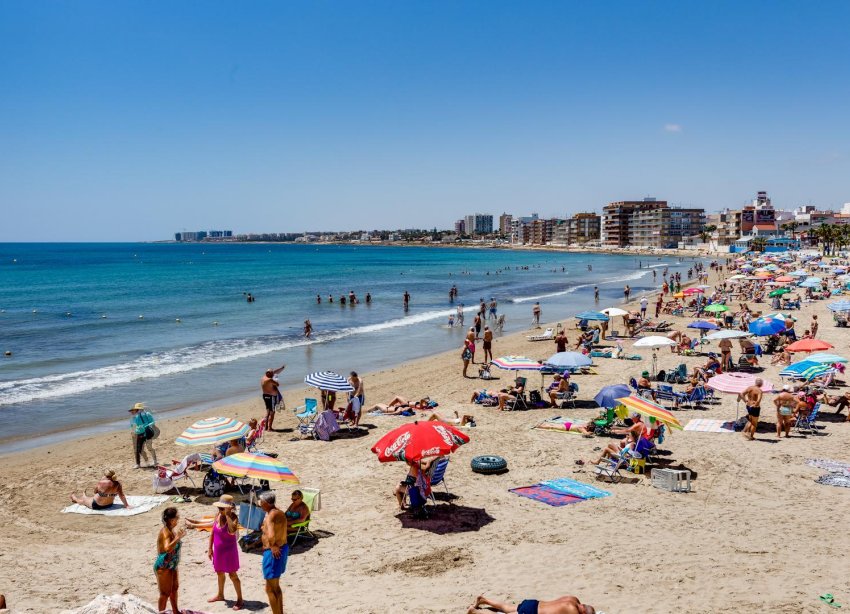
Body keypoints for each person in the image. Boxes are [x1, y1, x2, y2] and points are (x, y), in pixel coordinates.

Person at [207, 495, 243, 610]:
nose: (220, 510)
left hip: (229, 552)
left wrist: (227, 514)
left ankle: (240, 599)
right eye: (219, 508)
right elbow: (212, 532)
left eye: (222, 508)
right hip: (218, 551)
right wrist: (209, 548)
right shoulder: (217, 516)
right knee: (219, 573)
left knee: (233, 575)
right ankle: (220, 595)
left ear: (229, 508)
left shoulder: (233, 518)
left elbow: (232, 531)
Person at [259, 491, 288, 614]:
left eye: (261, 501)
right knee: (275, 586)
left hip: (273, 552)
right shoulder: (279, 512)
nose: (259, 504)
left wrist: (273, 545)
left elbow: (271, 535)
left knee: (270, 588)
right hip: (282, 549)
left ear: (266, 503)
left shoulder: (271, 515)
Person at [155, 507, 184, 614]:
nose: (178, 519)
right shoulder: (165, 532)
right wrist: (178, 538)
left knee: (174, 589)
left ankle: (175, 611)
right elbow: (167, 548)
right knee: (165, 593)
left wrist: (177, 536)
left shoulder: (170, 530)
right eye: (177, 517)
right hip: (164, 566)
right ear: (172, 520)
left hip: (172, 565)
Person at [468, 593, 596, 614]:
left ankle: (484, 600)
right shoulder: (573, 611)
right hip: (532, 612)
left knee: (508, 608)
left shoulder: (573, 599)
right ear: (582, 611)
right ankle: (474, 612)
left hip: (533, 603)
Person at [129, 402, 157, 469]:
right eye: (137, 409)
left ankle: (155, 461)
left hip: (147, 432)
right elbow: (134, 425)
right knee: (139, 449)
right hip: (139, 433)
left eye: (138, 409)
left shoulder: (147, 414)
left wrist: (146, 426)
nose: (137, 410)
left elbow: (153, 421)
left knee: (149, 447)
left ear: (141, 409)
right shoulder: (136, 416)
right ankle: (145, 462)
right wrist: (134, 431)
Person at [261, 364, 286, 431]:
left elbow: (274, 372)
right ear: (269, 374)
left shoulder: (264, 377)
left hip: (265, 396)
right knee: (272, 412)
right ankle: (269, 428)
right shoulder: (269, 380)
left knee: (268, 411)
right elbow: (277, 384)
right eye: (272, 374)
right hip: (271, 397)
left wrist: (281, 368)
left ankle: (265, 427)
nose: (273, 374)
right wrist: (276, 378)